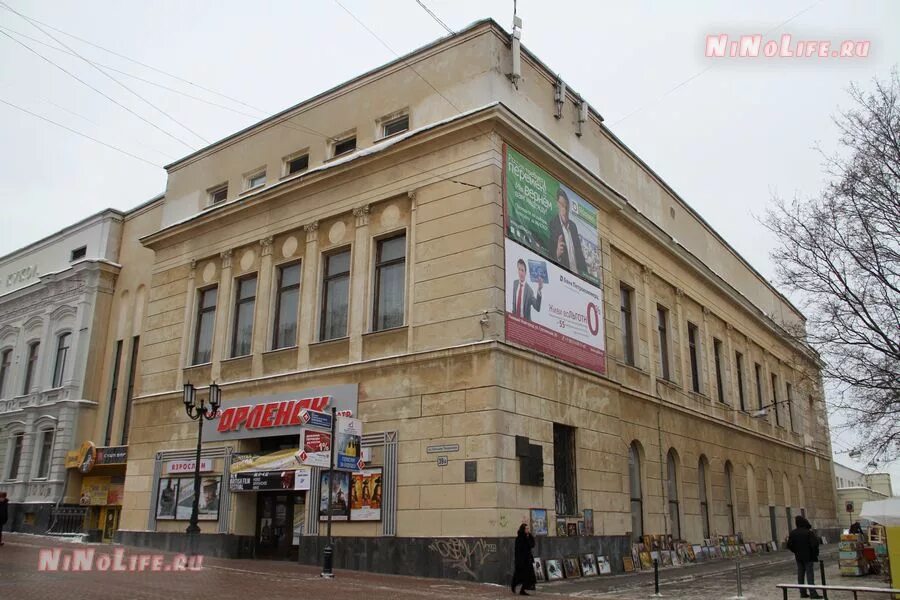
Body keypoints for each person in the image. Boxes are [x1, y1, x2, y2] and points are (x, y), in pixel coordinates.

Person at [548, 188, 586, 274]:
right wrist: (557, 253)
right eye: (561, 204)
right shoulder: (553, 224)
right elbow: (549, 254)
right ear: (557, 204)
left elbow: (579, 254)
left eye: (566, 205)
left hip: (578, 278)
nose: (564, 208)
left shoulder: (573, 227)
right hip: (563, 276)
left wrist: (586, 277)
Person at [787, 515, 821, 599]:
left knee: (800, 574)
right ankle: (813, 593)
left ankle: (802, 592)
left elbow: (789, 545)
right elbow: (815, 544)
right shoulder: (808, 532)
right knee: (810, 575)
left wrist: (795, 551)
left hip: (798, 556)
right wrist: (815, 554)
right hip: (808, 556)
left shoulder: (793, 533)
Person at [510, 523, 536, 595]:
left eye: (528, 529)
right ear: (523, 529)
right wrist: (519, 561)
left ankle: (522, 589)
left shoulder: (528, 537)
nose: (528, 530)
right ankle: (514, 585)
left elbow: (532, 545)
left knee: (529, 575)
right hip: (521, 560)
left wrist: (529, 537)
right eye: (526, 529)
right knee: (519, 575)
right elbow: (518, 550)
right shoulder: (519, 538)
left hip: (528, 559)